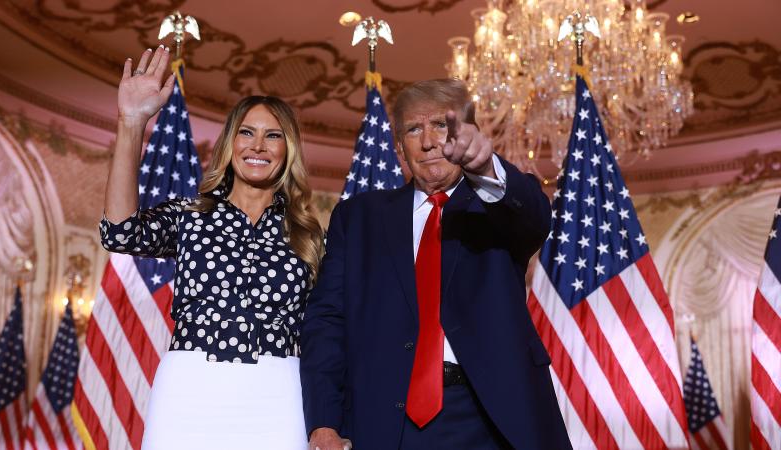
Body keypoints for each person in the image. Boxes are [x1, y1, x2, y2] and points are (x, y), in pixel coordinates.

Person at [301, 79, 571, 449]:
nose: (428, 141)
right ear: (399, 147)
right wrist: (324, 423)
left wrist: (487, 166)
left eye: (441, 126)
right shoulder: (358, 218)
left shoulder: (497, 204)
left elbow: (536, 218)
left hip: (492, 418)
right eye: (414, 129)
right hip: (387, 420)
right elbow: (327, 322)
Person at [101, 45, 324, 449]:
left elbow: (327, 330)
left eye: (273, 136)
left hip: (278, 393)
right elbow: (119, 232)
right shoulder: (191, 215)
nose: (258, 146)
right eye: (246, 132)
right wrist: (131, 121)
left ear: (288, 150)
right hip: (190, 390)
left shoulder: (307, 234)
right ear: (230, 143)